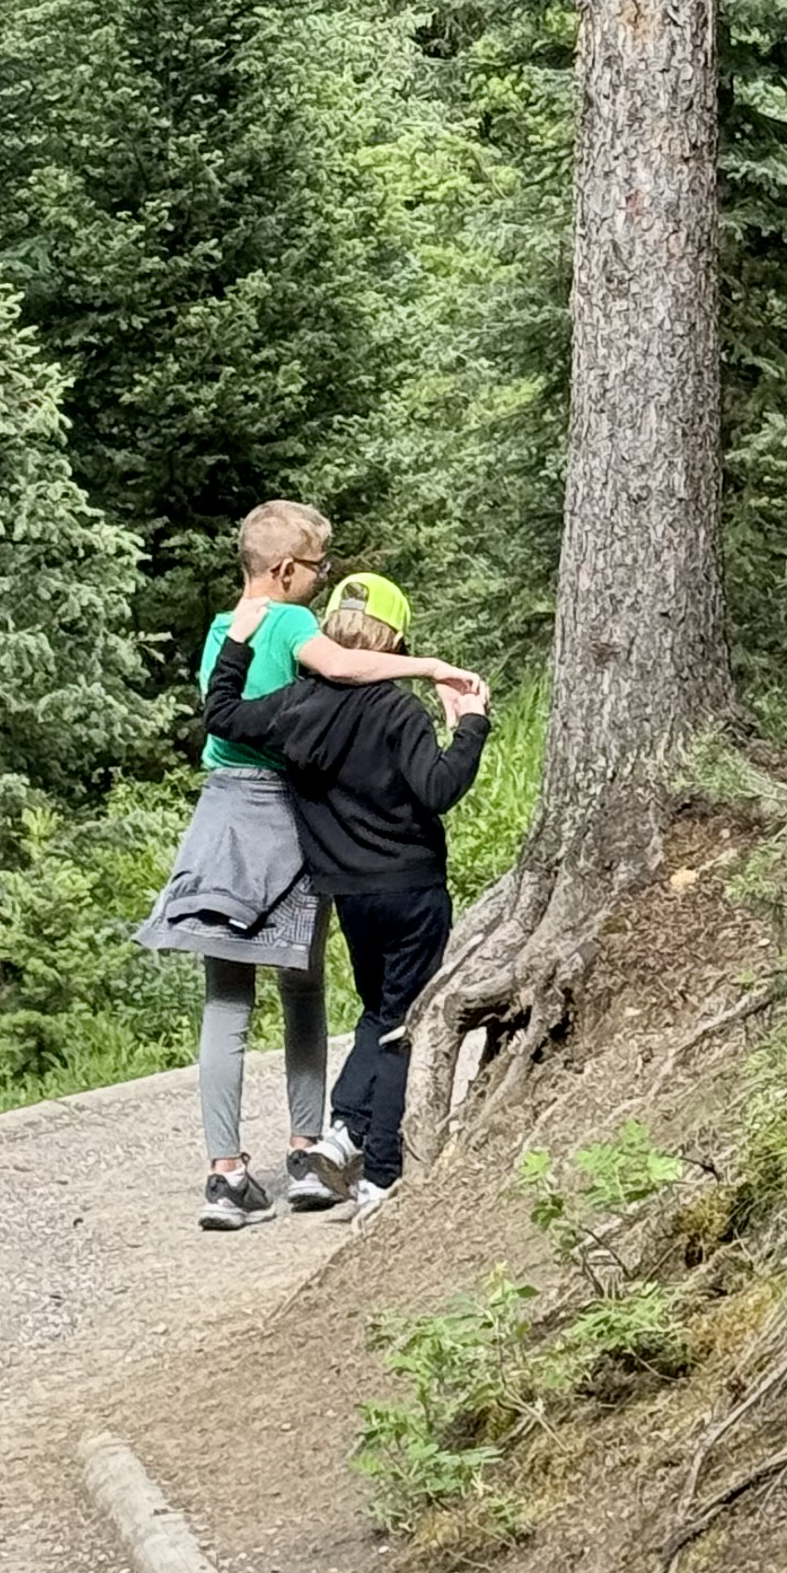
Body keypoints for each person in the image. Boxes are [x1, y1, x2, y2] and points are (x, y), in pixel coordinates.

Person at [134, 500, 469, 1229]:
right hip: (286, 818)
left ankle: (225, 1173)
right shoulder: (289, 621)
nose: (323, 579)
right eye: (319, 567)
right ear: (286, 570)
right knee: (302, 987)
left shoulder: (226, 630)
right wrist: (430, 665)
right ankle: (308, 1149)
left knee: (224, 1000)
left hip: (219, 818)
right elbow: (346, 668)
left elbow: (221, 711)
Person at [200, 570, 490, 1211]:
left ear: (331, 629)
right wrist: (470, 724)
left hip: (349, 894)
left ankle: (341, 1129)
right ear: (393, 638)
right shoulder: (398, 710)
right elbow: (439, 789)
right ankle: (379, 1172)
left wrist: (240, 641)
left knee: (378, 1011)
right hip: (412, 887)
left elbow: (220, 715)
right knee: (401, 1022)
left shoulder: (294, 705)